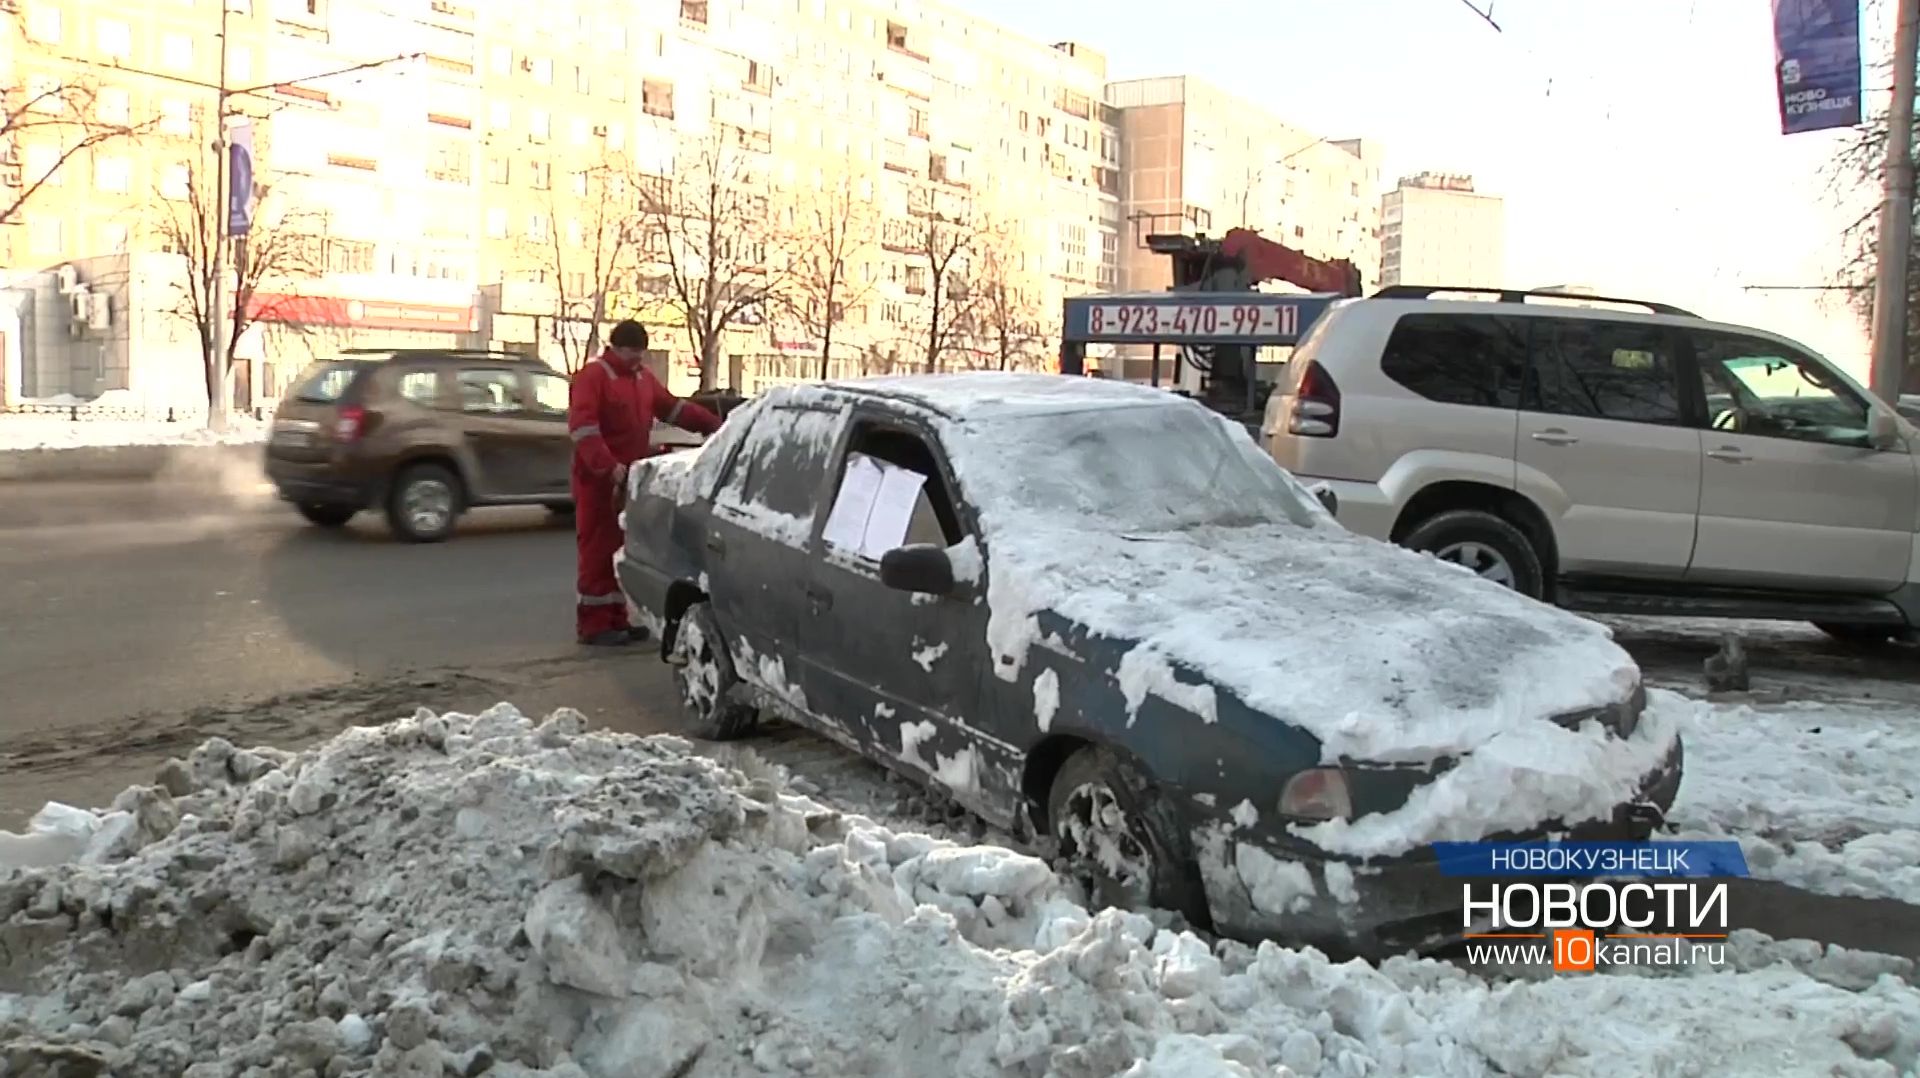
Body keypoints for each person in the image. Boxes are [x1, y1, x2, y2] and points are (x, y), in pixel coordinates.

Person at [567, 320, 723, 646]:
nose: (638, 359)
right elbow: (584, 430)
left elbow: (672, 409)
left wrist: (715, 426)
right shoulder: (593, 377)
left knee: (619, 549)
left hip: (630, 478)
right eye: (632, 353)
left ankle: (616, 618)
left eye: (641, 353)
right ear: (616, 348)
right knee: (597, 549)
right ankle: (594, 625)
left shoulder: (641, 379)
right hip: (598, 481)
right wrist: (609, 468)